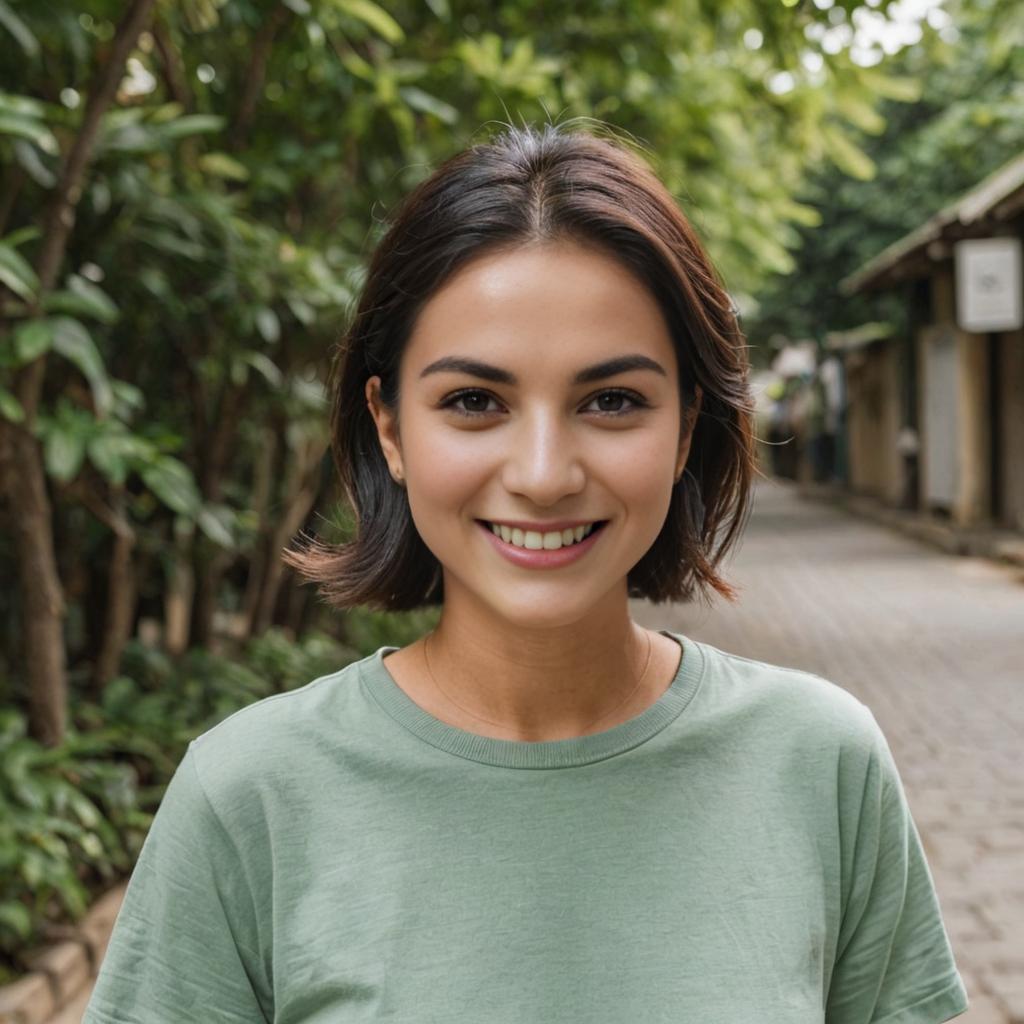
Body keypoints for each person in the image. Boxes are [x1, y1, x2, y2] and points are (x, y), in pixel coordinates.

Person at [82, 122, 968, 1023]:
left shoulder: (819, 764)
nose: (544, 474)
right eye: (474, 402)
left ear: (688, 425)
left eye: (611, 401)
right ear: (389, 427)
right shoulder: (248, 799)